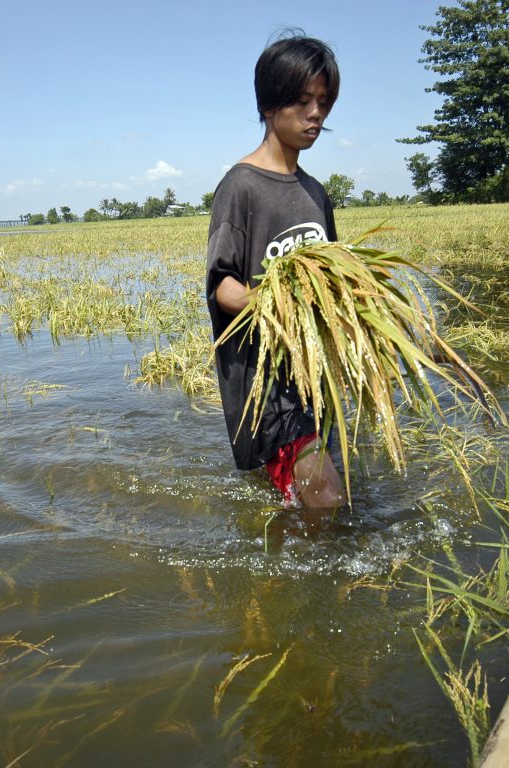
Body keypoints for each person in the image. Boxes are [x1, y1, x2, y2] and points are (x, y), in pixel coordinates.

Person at [206, 32, 347, 510]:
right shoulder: (241, 187)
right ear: (269, 106)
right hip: (267, 382)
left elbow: (333, 277)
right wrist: (279, 300)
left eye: (323, 101)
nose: (316, 114)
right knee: (325, 499)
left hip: (313, 373)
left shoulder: (315, 194)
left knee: (306, 503)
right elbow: (222, 285)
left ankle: (286, 576)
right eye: (303, 101)